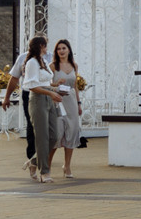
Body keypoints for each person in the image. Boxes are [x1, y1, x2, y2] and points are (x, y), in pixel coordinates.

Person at [5, 35, 61, 182]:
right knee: (41, 136)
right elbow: (32, 86)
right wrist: (50, 92)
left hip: (49, 98)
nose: (47, 48)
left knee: (54, 136)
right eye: (45, 45)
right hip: (37, 99)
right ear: (41, 46)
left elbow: (46, 81)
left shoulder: (43, 61)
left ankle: (33, 161)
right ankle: (44, 172)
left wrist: (56, 86)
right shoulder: (31, 63)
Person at [51, 39, 85, 176]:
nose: (61, 51)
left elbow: (75, 86)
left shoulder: (74, 65)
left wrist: (78, 103)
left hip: (70, 100)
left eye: (64, 48)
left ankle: (67, 166)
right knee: (57, 134)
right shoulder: (53, 66)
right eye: (59, 49)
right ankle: (46, 165)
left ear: (69, 50)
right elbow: (47, 84)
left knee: (72, 131)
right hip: (57, 101)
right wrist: (56, 84)